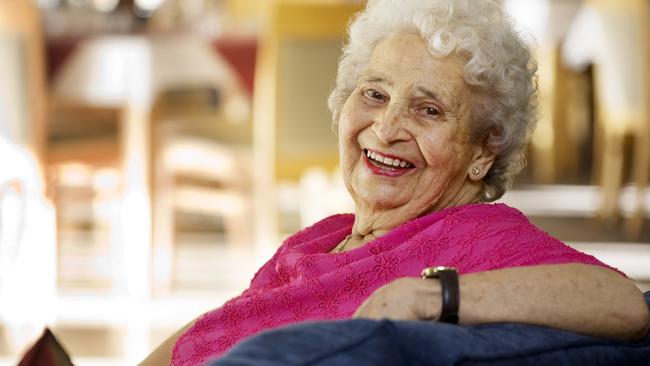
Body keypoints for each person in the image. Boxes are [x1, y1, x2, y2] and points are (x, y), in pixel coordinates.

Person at [140, 0, 650, 365]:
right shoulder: (323, 236)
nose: (386, 129)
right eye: (376, 94)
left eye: (428, 110)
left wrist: (430, 298)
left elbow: (622, 302)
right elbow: (225, 325)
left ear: (481, 151)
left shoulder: (473, 234)